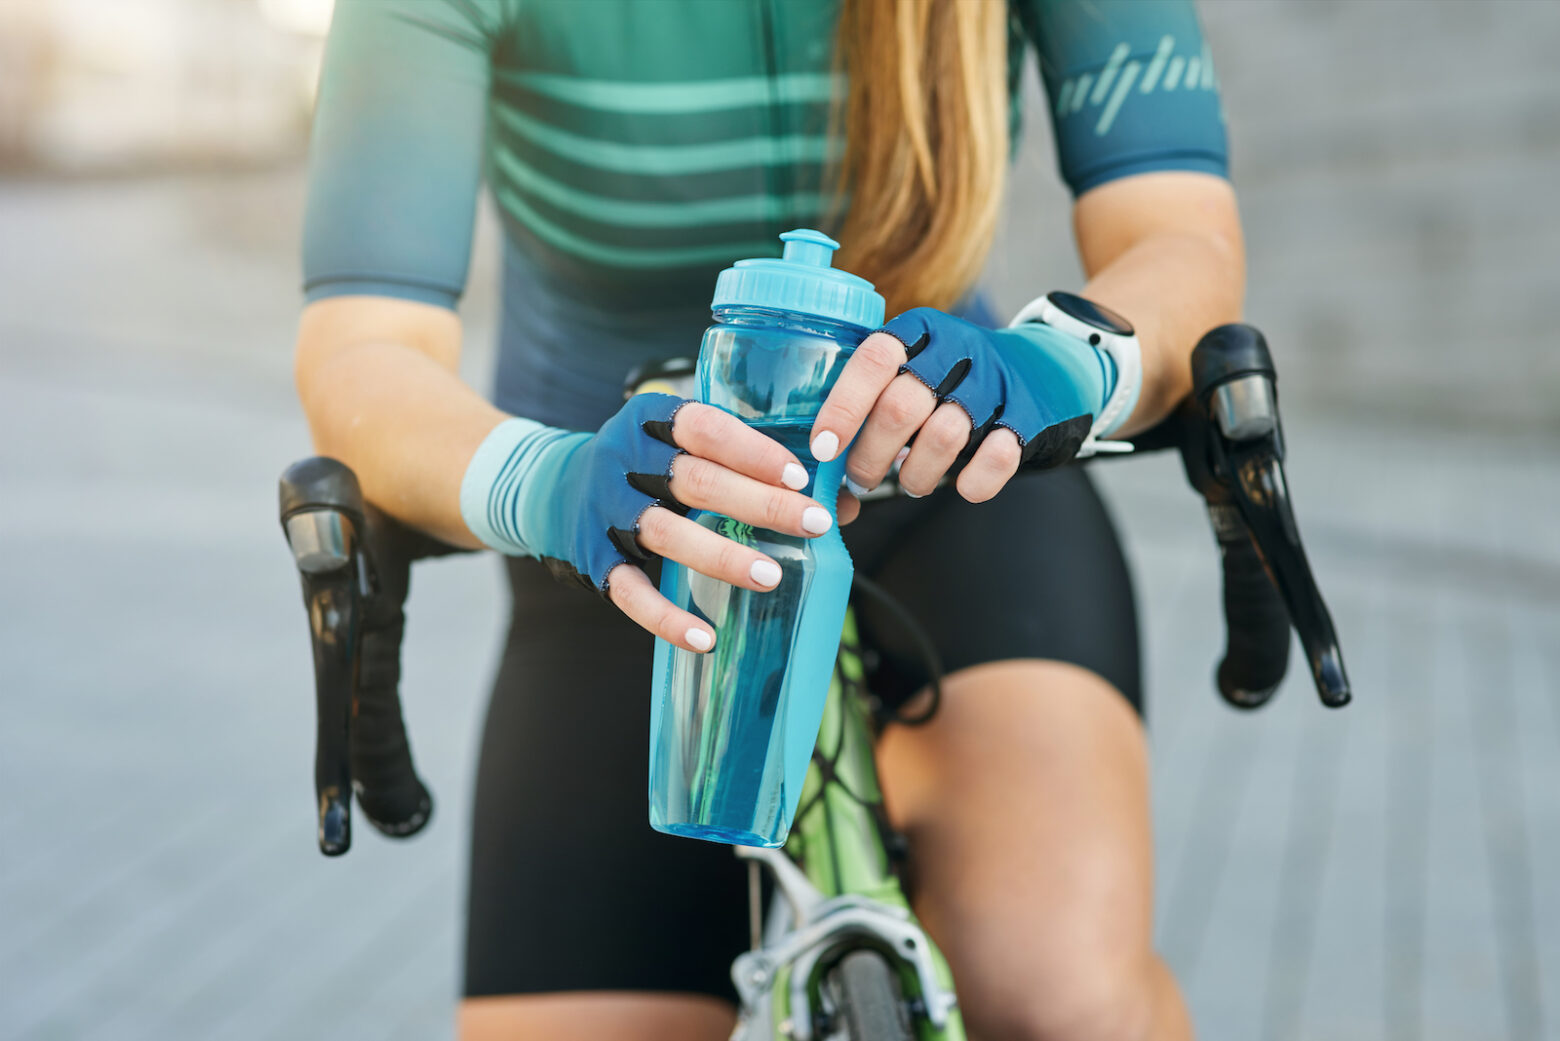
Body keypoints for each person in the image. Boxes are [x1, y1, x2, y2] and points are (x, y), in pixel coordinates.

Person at [295, 1, 1244, 1038]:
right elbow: (362, 348)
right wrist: (547, 482)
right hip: (627, 523)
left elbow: (1178, 234)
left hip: (953, 476)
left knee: (1058, 992)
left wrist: (1060, 362)